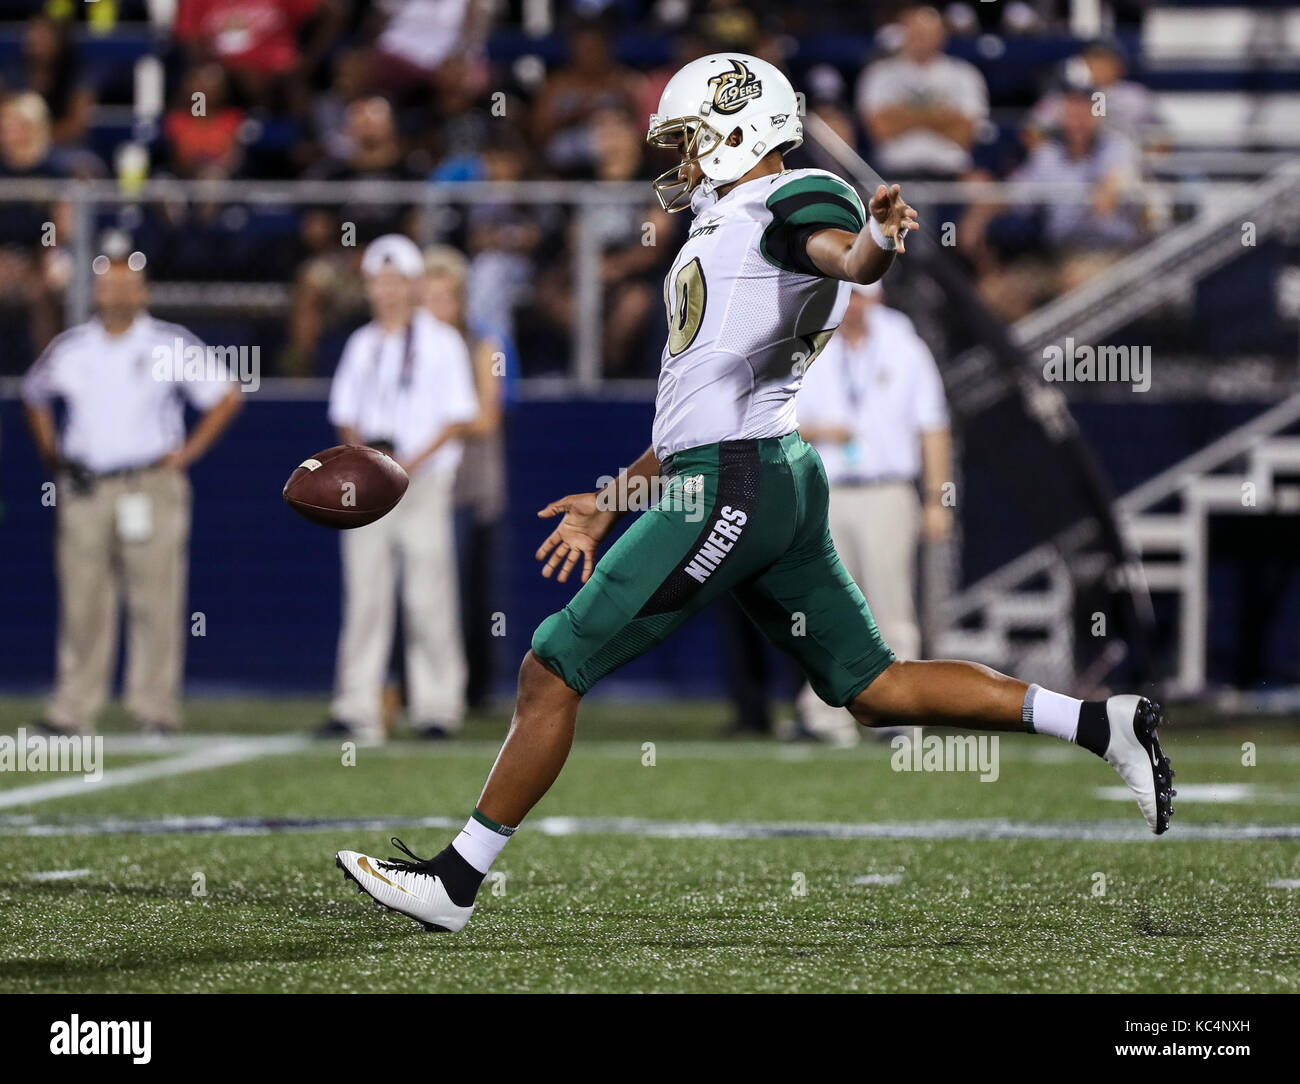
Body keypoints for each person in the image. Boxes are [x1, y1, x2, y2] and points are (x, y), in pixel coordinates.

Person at [336, 54, 1175, 933]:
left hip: (733, 479)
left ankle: (456, 882)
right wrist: (613, 498)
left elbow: (846, 258)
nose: (684, 158)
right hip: (761, 467)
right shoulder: (721, 221)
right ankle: (1102, 724)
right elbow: (692, 408)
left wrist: (878, 242)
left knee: (554, 662)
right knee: (875, 687)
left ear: (740, 130)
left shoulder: (785, 199)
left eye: (694, 138)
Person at [21, 252, 243, 735]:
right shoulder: (73, 346)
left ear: (143, 292)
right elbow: (34, 393)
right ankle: (72, 709)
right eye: (109, 286)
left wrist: (187, 453)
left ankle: (155, 709)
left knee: (155, 597)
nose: (118, 295)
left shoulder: (168, 343)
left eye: (128, 286)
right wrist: (51, 454)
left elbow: (227, 393)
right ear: (96, 293)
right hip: (86, 486)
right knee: (83, 599)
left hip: (149, 482)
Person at [322, 234, 479, 743]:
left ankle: (437, 709)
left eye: (396, 282)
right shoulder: (362, 343)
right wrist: (370, 461)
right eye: (378, 282)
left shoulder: (442, 341)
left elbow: (458, 418)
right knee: (365, 596)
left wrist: (405, 463)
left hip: (423, 484)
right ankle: (356, 708)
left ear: (413, 286)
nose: (386, 292)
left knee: (427, 597)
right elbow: (345, 417)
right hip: (368, 489)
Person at [795, 282, 952, 744]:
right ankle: (826, 717)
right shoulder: (811, 341)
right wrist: (826, 431)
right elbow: (777, 418)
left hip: (887, 491)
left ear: (877, 298)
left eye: (859, 296)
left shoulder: (904, 344)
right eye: (845, 297)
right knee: (825, 606)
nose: (851, 306)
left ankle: (901, 714)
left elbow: (934, 427)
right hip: (826, 492)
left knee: (890, 606)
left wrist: (936, 499)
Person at [423, 243, 508, 710]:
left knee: (472, 593)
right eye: (428, 297)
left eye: (445, 297)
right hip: (426, 484)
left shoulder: (480, 344)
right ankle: (424, 686)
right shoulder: (411, 347)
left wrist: (440, 422)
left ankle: (475, 688)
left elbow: (486, 417)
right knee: (427, 591)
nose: (436, 308)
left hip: (471, 487)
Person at [857, 5, 988, 180]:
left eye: (927, 32)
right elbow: (881, 130)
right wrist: (940, 117)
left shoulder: (965, 75)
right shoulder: (878, 74)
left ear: (942, 35)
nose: (921, 38)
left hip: (951, 172)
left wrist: (902, 115)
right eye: (915, 31)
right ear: (903, 33)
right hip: (892, 173)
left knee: (984, 185)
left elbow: (965, 133)